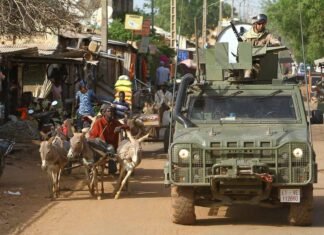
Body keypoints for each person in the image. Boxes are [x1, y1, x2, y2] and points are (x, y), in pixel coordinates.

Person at [88, 104, 127, 174]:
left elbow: (127, 127)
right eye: (108, 111)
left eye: (111, 111)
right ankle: (92, 165)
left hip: (111, 146)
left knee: (111, 148)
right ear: (103, 113)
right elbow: (92, 136)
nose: (110, 113)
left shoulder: (115, 122)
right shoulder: (98, 122)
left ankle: (112, 167)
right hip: (100, 146)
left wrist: (121, 128)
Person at [241, 14, 281, 79]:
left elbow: (274, 41)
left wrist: (276, 43)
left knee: (254, 70)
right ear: (255, 24)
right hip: (247, 62)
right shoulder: (246, 36)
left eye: (263, 24)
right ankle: (247, 78)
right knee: (247, 70)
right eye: (259, 23)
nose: (261, 26)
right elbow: (241, 50)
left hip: (261, 63)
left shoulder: (267, 35)